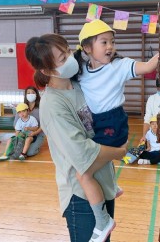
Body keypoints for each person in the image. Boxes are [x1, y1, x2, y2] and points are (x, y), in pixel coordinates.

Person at [25, 33, 127, 242]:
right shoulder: (53, 106)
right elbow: (83, 155)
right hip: (81, 196)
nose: (70, 60)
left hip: (104, 183)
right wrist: (120, 151)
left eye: (68, 52)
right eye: (62, 59)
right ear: (46, 70)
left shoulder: (80, 84)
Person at [73, 19, 158, 239]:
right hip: (94, 121)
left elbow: (148, 67)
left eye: (112, 41)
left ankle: (103, 222)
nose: (110, 46)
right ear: (88, 48)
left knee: (84, 174)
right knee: (99, 155)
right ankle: (113, 186)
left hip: (113, 122)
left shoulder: (119, 66)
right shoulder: (81, 70)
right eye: (104, 42)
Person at [13, 86, 45, 157]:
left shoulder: (41, 108)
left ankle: (36, 146)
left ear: (36, 95)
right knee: (19, 150)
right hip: (24, 134)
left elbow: (44, 124)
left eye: (33, 93)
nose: (30, 94)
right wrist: (20, 134)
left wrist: (35, 133)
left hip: (38, 134)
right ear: (25, 95)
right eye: (28, 93)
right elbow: (16, 125)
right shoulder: (21, 107)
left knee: (29, 152)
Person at [140, 78, 160, 144]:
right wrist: (144, 136)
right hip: (154, 134)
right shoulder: (151, 99)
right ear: (157, 88)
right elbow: (147, 119)